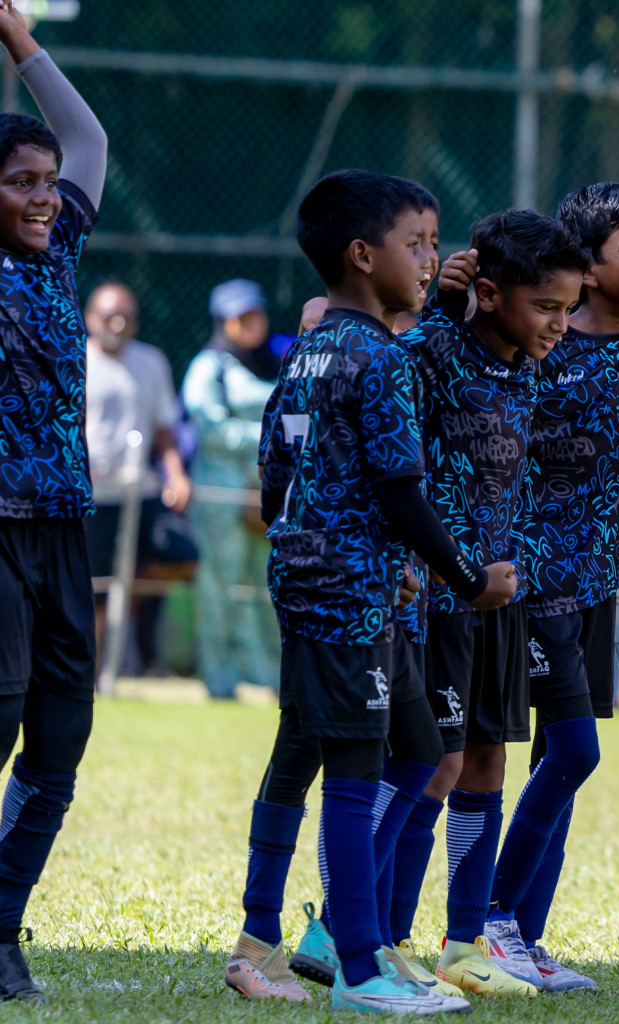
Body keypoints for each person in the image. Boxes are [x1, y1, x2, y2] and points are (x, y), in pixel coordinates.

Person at [246, 168, 513, 1015]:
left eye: (436, 243)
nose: (432, 260)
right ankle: (357, 968)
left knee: (417, 749)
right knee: (356, 768)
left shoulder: (309, 350)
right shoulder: (378, 359)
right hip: (348, 595)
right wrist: (471, 581)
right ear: (364, 256)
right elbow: (402, 493)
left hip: (336, 589)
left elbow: (270, 482)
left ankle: (326, 939)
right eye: (417, 244)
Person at [461, 183, 619, 994]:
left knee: (561, 766)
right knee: (570, 751)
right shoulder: (537, 341)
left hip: (599, 578)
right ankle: (491, 920)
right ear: (584, 268)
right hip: (533, 583)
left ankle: (525, 937)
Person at [383, 211, 587, 998]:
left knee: (487, 761)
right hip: (438, 599)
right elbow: (394, 367)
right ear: (492, 294)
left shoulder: (528, 367)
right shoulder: (437, 349)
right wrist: (440, 306)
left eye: (568, 309)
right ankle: (389, 937)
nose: (559, 325)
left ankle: (464, 943)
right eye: (546, 308)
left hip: (500, 601)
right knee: (431, 766)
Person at [0, 1, 107, 999]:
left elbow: (86, 138)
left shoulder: (61, 247)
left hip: (66, 526)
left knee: (62, 733)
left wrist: (21, 42)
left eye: (45, 184)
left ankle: (1, 918)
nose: (44, 196)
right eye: (19, 183)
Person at [83, 281, 196, 676]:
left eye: (126, 317)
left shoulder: (151, 361)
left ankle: (127, 592)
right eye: (109, 316)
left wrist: (176, 474)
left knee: (183, 555)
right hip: (93, 495)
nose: (117, 324)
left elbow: (165, 429)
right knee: (92, 596)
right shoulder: (73, 358)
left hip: (141, 489)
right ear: (89, 318)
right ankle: (91, 682)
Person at [182, 278, 281, 697]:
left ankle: (269, 678)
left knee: (264, 589)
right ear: (223, 321)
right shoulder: (209, 366)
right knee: (218, 588)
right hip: (219, 499)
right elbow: (209, 427)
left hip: (263, 496)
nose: (250, 323)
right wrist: (267, 433)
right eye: (240, 317)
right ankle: (220, 683)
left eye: (255, 313)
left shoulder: (274, 362)